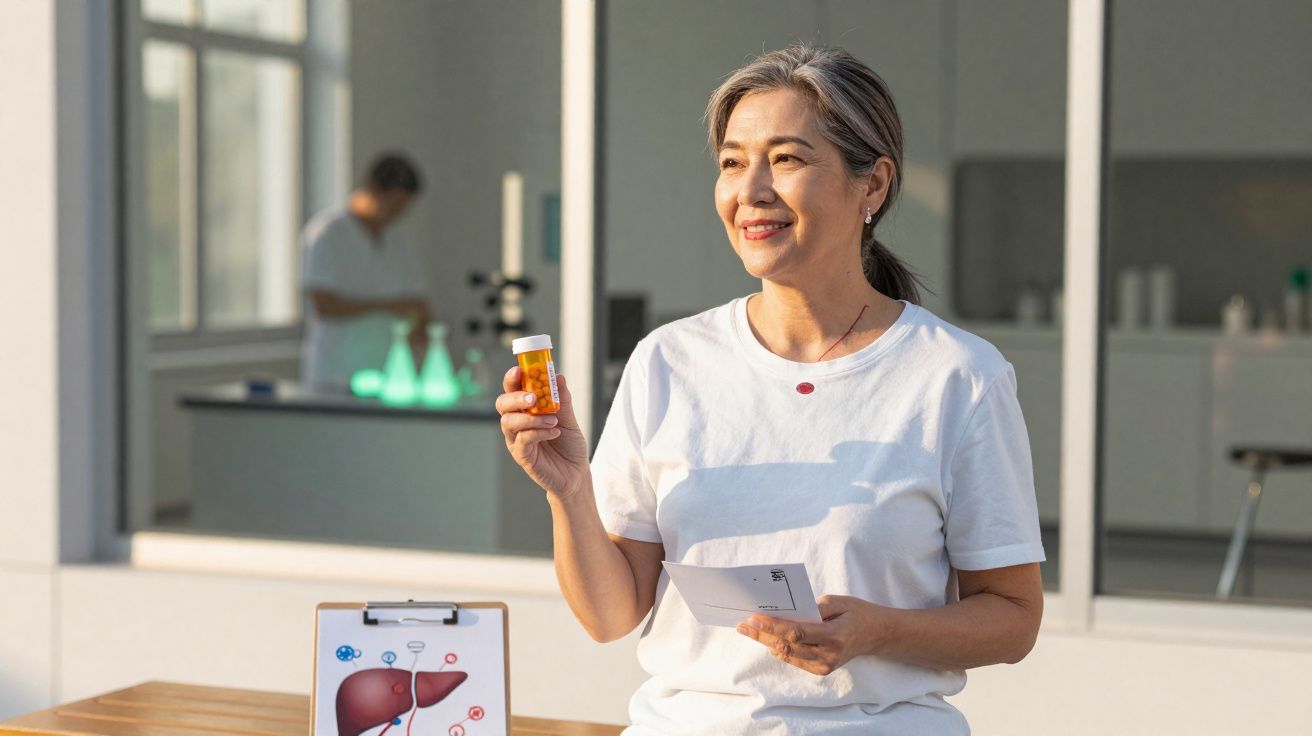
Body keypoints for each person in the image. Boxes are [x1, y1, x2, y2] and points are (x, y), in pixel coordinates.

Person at [496, 45, 1044, 734]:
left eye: (786, 158)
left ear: (871, 186)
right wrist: (569, 490)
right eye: (731, 161)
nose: (749, 189)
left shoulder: (956, 376)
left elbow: (1014, 620)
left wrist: (878, 631)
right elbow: (609, 617)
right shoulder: (668, 361)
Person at [300, 153, 431, 391]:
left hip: (387, 376)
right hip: (335, 375)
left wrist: (421, 328)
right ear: (372, 189)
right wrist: (386, 305)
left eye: (403, 207)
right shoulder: (328, 233)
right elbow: (324, 304)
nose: (397, 213)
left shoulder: (397, 239)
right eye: (393, 204)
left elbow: (416, 302)